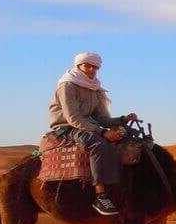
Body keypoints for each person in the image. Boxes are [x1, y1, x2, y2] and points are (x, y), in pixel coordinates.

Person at [48, 52, 137, 215]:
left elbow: (101, 117)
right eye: (87, 66)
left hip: (90, 124)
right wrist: (102, 132)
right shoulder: (67, 85)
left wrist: (122, 120)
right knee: (98, 144)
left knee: (130, 133)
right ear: (78, 66)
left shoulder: (95, 87)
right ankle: (100, 195)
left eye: (94, 67)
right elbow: (73, 117)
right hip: (67, 127)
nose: (91, 70)